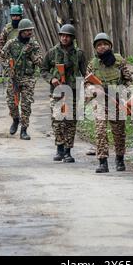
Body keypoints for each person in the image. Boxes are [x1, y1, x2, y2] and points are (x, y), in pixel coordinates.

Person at [86, 33, 133, 173]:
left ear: (110, 46)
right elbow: (87, 83)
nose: (102, 47)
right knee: (100, 131)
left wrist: (125, 95)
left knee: (119, 132)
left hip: (117, 101)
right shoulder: (93, 64)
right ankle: (102, 162)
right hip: (100, 102)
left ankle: (119, 159)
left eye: (105, 44)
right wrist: (95, 90)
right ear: (95, 48)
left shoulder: (119, 61)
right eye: (99, 45)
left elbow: (129, 81)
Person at [41, 24, 87, 162]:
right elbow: (43, 70)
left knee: (70, 121)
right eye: (62, 35)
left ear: (72, 37)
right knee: (57, 120)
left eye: (67, 36)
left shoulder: (79, 54)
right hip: (57, 91)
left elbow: (85, 73)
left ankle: (68, 151)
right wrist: (52, 79)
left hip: (73, 91)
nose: (64, 38)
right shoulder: (52, 52)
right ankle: (59, 148)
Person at [0, 18, 42, 140]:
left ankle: (24, 130)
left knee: (26, 104)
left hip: (28, 78)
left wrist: (31, 54)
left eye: (31, 30)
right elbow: (2, 57)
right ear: (21, 31)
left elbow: (40, 62)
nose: (30, 32)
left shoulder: (34, 44)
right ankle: (15, 119)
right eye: (27, 30)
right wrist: (8, 68)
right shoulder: (11, 43)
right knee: (11, 103)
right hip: (13, 78)